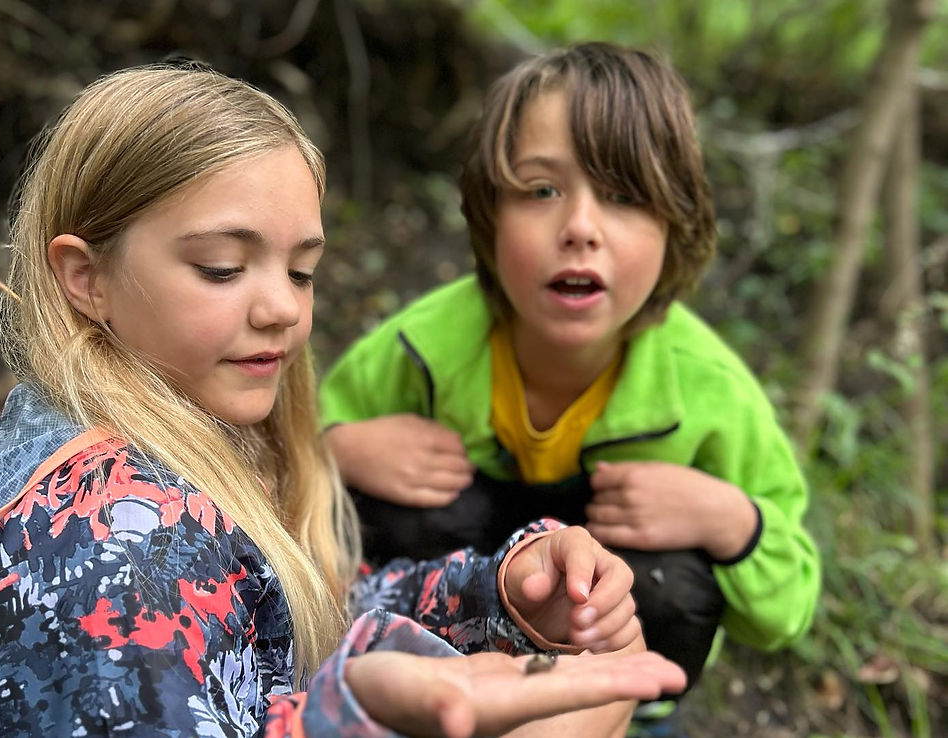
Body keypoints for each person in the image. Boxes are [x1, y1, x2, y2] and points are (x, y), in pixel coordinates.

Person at [0, 62, 688, 737]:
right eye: (222, 268)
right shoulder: (115, 552)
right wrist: (361, 714)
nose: (284, 308)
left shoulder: (177, 434)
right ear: (86, 278)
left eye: (302, 271)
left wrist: (502, 594)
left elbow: (301, 612)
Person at [320, 41, 822, 734]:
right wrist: (337, 449)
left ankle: (639, 718)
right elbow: (273, 476)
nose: (580, 228)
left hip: (618, 682)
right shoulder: (421, 350)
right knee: (400, 510)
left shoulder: (711, 394)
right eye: (541, 191)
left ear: (675, 224)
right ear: (489, 214)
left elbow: (786, 612)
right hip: (434, 671)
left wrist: (732, 521)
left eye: (623, 195)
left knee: (668, 577)